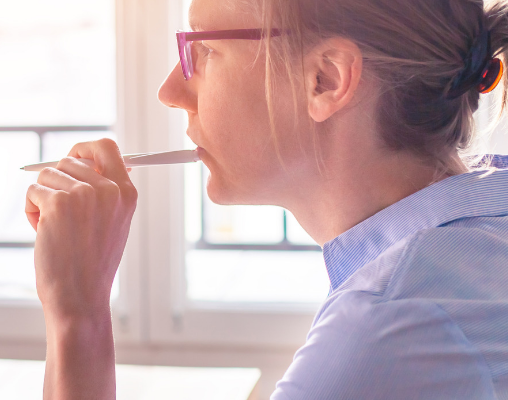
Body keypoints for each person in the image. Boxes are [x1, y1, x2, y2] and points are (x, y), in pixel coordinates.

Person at [25, 0, 508, 398]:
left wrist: (77, 314)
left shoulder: (388, 326)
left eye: (204, 49)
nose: (170, 91)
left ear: (327, 79)